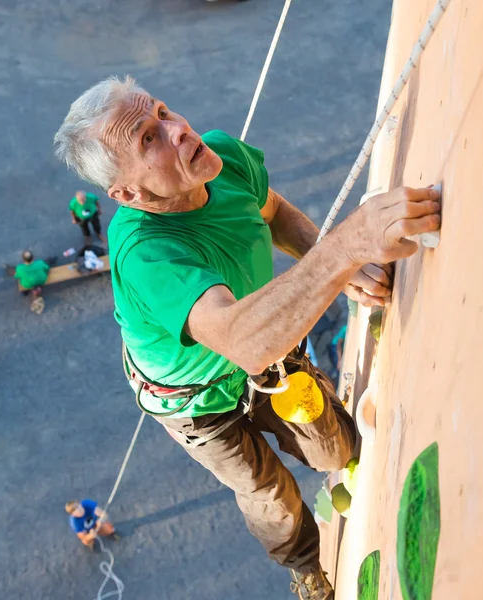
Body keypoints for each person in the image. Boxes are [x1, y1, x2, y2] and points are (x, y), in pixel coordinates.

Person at [54, 76, 441, 598]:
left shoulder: (221, 158)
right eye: (148, 138)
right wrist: (345, 249)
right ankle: (305, 567)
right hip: (198, 403)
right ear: (127, 194)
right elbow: (244, 341)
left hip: (263, 346)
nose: (179, 129)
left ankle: (348, 462)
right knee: (266, 491)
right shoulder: (146, 256)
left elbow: (272, 211)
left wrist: (324, 254)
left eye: (164, 111)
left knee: (329, 437)